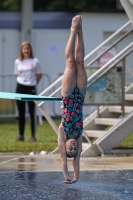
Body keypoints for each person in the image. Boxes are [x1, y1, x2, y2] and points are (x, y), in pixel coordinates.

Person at [58, 15, 87, 184]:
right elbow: (76, 159)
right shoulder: (79, 134)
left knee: (70, 63)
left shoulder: (63, 132)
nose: (73, 146)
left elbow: (64, 159)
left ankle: (72, 31)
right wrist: (76, 177)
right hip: (80, 96)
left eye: (70, 147)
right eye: (75, 148)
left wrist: (67, 176)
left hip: (69, 96)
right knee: (81, 62)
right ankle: (80, 32)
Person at [14, 41, 42, 142]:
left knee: (31, 112)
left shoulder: (35, 61)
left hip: (31, 87)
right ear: (22, 50)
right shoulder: (18, 61)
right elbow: (17, 74)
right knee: (21, 112)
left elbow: (39, 74)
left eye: (28, 48)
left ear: (30, 50)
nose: (26, 50)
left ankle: (33, 136)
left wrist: (33, 83)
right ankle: (21, 135)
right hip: (20, 87)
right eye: (24, 49)